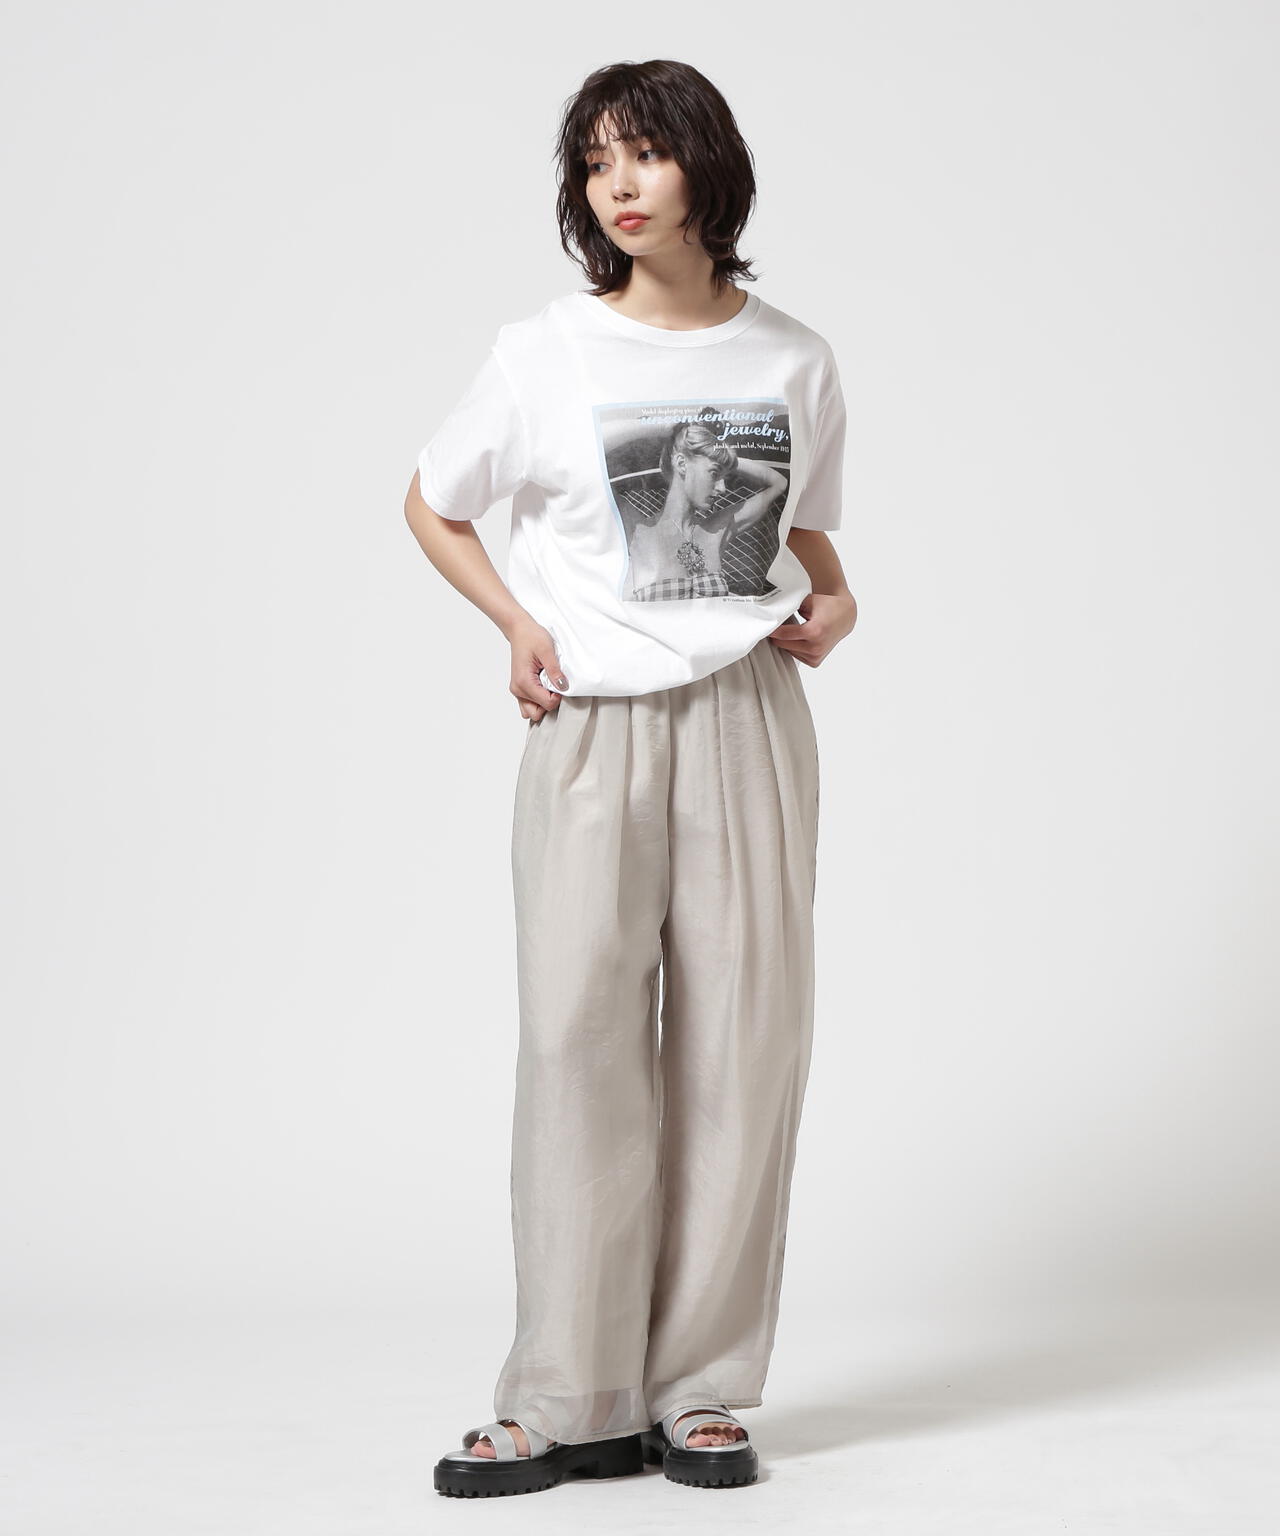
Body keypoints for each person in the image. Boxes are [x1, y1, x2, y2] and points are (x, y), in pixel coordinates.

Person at [404, 58, 857, 1498]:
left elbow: (808, 538)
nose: (619, 183)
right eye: (596, 160)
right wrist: (518, 623)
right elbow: (433, 500)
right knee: (576, 1045)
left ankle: (700, 1390)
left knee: (744, 1048)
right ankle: (568, 1395)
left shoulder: (794, 358)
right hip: (594, 724)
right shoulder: (543, 352)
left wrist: (838, 601)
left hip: (747, 720)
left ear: (707, 167)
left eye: (645, 153)